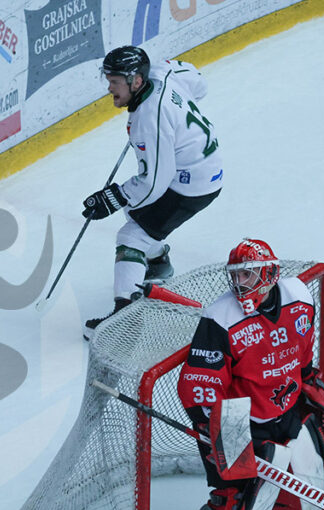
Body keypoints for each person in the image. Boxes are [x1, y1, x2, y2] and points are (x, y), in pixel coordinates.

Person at [172, 238, 324, 510]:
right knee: (237, 500)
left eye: (249, 274)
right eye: (235, 275)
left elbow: (301, 355)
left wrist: (313, 388)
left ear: (270, 273)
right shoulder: (221, 318)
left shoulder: (298, 297)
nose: (240, 283)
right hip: (242, 422)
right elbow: (198, 386)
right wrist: (220, 434)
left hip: (287, 406)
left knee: (316, 474)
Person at [81, 45, 224, 339]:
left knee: (132, 236)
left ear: (136, 81)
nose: (109, 88)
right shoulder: (162, 71)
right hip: (206, 166)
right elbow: (199, 82)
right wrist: (176, 121)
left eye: (115, 82)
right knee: (137, 210)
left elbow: (155, 182)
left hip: (192, 184)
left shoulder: (149, 120)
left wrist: (113, 197)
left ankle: (124, 321)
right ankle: (157, 264)